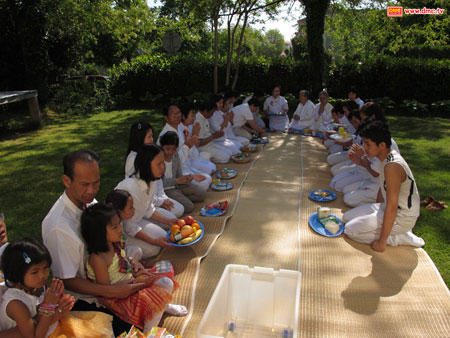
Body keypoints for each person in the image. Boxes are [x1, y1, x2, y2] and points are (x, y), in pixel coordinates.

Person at [42, 149, 142, 336]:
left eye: (96, 183)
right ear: (66, 181)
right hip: (85, 299)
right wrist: (112, 291)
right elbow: (67, 280)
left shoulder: (89, 202)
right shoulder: (58, 226)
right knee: (132, 332)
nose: (91, 191)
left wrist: (126, 263)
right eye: (85, 184)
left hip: (111, 278)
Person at [81, 203, 187, 333]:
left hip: (132, 283)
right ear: (99, 234)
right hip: (120, 299)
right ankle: (150, 331)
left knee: (166, 282)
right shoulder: (98, 259)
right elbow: (107, 291)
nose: (120, 229)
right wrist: (136, 282)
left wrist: (135, 268)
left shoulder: (115, 245)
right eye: (115, 227)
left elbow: (123, 262)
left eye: (119, 224)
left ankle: (161, 307)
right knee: (149, 299)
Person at [343, 121, 425, 252]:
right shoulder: (385, 158)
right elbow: (383, 189)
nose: (364, 148)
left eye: (368, 144)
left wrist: (381, 241)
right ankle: (392, 231)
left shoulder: (392, 165)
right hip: (386, 207)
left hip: (402, 216)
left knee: (350, 230)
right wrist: (375, 210)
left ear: (381, 145)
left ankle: (399, 237)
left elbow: (393, 206)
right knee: (345, 218)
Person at [0, 238, 82, 337]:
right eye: (35, 272)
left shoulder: (37, 284)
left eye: (46, 268)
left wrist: (62, 302)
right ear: (17, 274)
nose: (42, 275)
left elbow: (52, 308)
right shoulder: (15, 304)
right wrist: (49, 306)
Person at [115, 144, 177, 259]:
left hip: (135, 221)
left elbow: (148, 210)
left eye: (163, 163)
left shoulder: (151, 182)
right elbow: (129, 226)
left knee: (164, 236)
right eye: (159, 164)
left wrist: (169, 221)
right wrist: (153, 241)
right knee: (154, 249)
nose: (163, 167)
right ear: (146, 165)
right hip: (120, 231)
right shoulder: (132, 189)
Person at [123, 122, 184, 222]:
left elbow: (158, 180)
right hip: (142, 202)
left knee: (179, 210)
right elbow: (140, 190)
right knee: (171, 218)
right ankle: (147, 218)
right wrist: (159, 202)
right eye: (149, 137)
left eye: (152, 136)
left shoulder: (151, 152)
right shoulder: (133, 159)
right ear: (140, 138)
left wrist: (163, 198)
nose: (152, 140)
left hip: (154, 198)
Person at [158, 104, 212, 191]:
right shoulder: (166, 135)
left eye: (178, 112)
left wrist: (190, 143)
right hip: (175, 174)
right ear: (166, 118)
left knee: (208, 178)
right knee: (204, 184)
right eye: (173, 114)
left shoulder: (178, 128)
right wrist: (187, 145)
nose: (178, 115)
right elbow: (172, 160)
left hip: (187, 166)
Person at [160, 131, 207, 214]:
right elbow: (158, 183)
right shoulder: (158, 159)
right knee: (189, 207)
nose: (171, 152)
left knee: (202, 194)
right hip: (166, 189)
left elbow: (179, 176)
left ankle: (180, 197)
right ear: (162, 146)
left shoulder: (175, 156)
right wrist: (176, 181)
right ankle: (179, 199)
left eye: (174, 149)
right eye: (168, 149)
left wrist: (190, 177)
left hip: (177, 186)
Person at [180, 104, 216, 175]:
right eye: (192, 116)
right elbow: (187, 152)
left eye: (194, 116)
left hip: (195, 156)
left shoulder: (190, 126)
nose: (194, 118)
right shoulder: (180, 130)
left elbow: (196, 147)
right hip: (188, 160)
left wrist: (195, 135)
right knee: (210, 171)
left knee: (213, 167)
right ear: (184, 117)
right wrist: (195, 135)